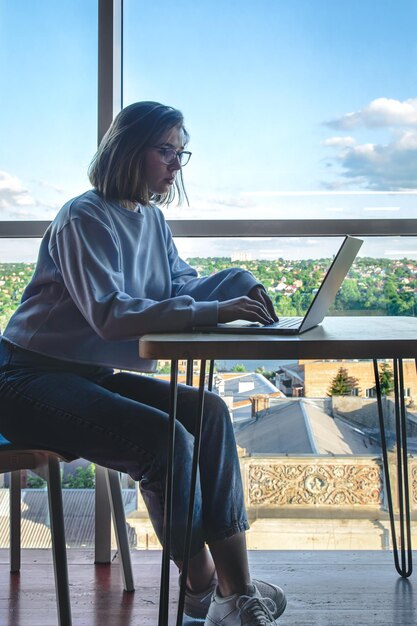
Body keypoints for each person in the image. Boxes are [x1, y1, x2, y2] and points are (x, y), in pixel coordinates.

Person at [0, 101, 287, 625]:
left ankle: (236, 591)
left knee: (211, 414)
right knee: (166, 442)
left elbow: (177, 285)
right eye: (165, 150)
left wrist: (236, 283)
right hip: (25, 379)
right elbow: (110, 315)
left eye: (181, 153)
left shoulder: (151, 219)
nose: (176, 164)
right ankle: (201, 584)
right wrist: (216, 308)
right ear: (129, 150)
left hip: (88, 375)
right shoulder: (83, 217)